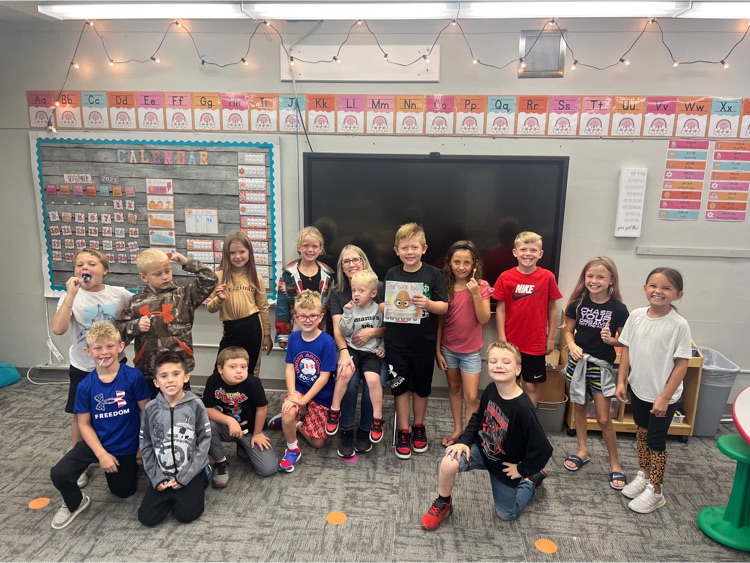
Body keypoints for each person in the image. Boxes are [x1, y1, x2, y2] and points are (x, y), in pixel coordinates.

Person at [421, 341, 553, 531]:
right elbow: (477, 418)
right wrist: (464, 441)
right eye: (493, 361)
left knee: (506, 515)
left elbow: (544, 449)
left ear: (518, 370)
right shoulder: (491, 389)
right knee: (448, 461)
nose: (499, 365)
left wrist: (522, 469)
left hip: (505, 466)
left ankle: (531, 482)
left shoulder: (523, 409)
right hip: (482, 451)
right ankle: (443, 502)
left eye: (506, 362)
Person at [49, 322, 150, 530]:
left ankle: (131, 467)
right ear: (88, 351)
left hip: (125, 445)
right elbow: (84, 424)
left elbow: (146, 412)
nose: (104, 352)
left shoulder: (133, 377)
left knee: (123, 492)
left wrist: (142, 445)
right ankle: (75, 502)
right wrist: (102, 454)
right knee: (59, 473)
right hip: (97, 442)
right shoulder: (85, 385)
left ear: (120, 346)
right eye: (97, 348)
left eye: (110, 346)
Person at [50, 248, 133, 487]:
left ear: (104, 270)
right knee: (81, 416)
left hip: (115, 364)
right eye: (80, 265)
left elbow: (136, 313)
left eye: (92, 264)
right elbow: (58, 329)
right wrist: (70, 295)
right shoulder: (71, 297)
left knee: (120, 408)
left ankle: (126, 451)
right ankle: (80, 463)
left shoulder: (119, 294)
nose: (85, 268)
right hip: (83, 367)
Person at [615, 268, 692, 514]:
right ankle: (644, 474)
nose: (658, 291)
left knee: (656, 442)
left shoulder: (679, 325)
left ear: (678, 295)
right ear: (645, 288)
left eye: (666, 288)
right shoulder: (637, 316)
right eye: (653, 286)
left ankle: (656, 491)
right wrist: (621, 382)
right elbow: (626, 350)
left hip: (663, 397)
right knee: (641, 434)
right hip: (639, 390)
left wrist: (665, 397)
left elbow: (682, 364)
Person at [381, 223, 448, 460]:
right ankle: (404, 430)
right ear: (396, 250)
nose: (410, 252)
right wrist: (386, 307)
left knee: (421, 388)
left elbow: (444, 307)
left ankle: (419, 426)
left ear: (424, 249)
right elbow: (383, 304)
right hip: (396, 344)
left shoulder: (433, 274)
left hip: (424, 344)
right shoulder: (392, 274)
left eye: (414, 247)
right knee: (400, 388)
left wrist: (428, 304)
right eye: (405, 248)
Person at [561, 257, 629, 490]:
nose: (594, 281)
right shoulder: (577, 304)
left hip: (601, 368)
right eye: (590, 276)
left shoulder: (619, 309)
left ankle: (615, 464)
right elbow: (568, 331)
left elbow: (625, 341)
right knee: (579, 409)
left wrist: (613, 341)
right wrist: (571, 345)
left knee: (603, 418)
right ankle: (582, 450)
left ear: (611, 280)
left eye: (600, 277)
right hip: (578, 364)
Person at [116, 249, 217, 397]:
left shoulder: (184, 295)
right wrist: (135, 326)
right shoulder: (135, 302)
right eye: (158, 274)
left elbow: (211, 280)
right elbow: (117, 332)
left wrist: (187, 262)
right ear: (144, 277)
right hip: (149, 370)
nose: (165, 277)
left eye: (167, 271)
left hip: (179, 367)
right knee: (151, 407)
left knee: (181, 406)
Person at [138, 351, 211, 526]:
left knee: (186, 515)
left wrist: (185, 477)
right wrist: (156, 477)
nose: (170, 380)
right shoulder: (151, 408)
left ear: (186, 377)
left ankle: (203, 475)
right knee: (147, 518)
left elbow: (204, 440)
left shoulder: (196, 405)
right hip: (162, 471)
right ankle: (170, 490)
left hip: (190, 470)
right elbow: (145, 443)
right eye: (164, 376)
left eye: (176, 374)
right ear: (156, 382)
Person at [326, 245, 386, 458]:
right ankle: (345, 429)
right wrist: (343, 351)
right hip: (348, 347)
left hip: (375, 349)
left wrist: (374, 334)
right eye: (346, 261)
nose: (351, 264)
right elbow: (338, 329)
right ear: (341, 266)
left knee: (373, 383)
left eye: (355, 259)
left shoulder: (379, 287)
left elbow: (393, 322)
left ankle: (366, 428)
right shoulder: (337, 293)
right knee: (348, 379)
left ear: (363, 261)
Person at [492, 231, 562, 407]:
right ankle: (510, 418)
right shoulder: (505, 277)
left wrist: (551, 338)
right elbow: (500, 309)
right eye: (523, 249)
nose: (528, 254)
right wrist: (502, 338)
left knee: (531, 385)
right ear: (515, 252)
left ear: (540, 254)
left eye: (533, 250)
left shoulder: (547, 277)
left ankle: (529, 419)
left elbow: (553, 309)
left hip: (535, 343)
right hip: (511, 342)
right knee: (509, 383)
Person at [271, 290, 336, 473]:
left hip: (320, 394)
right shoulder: (293, 338)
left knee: (318, 443)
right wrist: (293, 395)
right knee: (288, 412)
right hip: (299, 390)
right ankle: (292, 448)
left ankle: (295, 424)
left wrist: (305, 400)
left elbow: (324, 377)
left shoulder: (327, 342)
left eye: (313, 316)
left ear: (320, 317)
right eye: (303, 316)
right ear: (296, 318)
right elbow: (290, 369)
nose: (308, 320)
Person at [436, 241, 492, 448]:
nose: (461, 267)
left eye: (466, 263)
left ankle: (469, 436)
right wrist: (437, 351)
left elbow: (484, 318)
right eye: (457, 262)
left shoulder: (482, 286)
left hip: (471, 352)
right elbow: (439, 323)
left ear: (474, 264)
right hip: (448, 349)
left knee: (471, 396)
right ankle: (458, 430)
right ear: (449, 263)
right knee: (454, 388)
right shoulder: (444, 286)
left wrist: (475, 293)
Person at [202, 346, 278, 487]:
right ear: (220, 369)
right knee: (206, 425)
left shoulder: (253, 383)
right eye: (233, 367)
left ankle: (243, 445)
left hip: (250, 430)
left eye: (243, 367)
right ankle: (220, 462)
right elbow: (207, 409)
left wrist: (258, 433)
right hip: (225, 427)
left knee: (268, 469)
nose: (239, 371)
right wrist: (230, 421)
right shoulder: (213, 381)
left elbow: (262, 408)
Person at [206, 231, 273, 377]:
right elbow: (210, 307)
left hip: (253, 327)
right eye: (232, 253)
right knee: (221, 371)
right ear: (226, 254)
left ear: (249, 252)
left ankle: (251, 393)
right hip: (231, 329)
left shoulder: (255, 277)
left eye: (242, 252)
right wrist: (219, 299)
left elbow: (263, 307)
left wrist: (267, 334)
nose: (238, 256)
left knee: (251, 369)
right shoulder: (219, 277)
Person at [274, 226, 334, 348]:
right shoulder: (288, 274)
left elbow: (331, 307)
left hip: (321, 332)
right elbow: (282, 306)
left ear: (321, 249)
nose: (310, 250)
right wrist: (283, 334)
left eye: (315, 246)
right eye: (306, 245)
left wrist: (331, 334)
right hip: (296, 331)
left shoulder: (328, 275)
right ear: (299, 247)